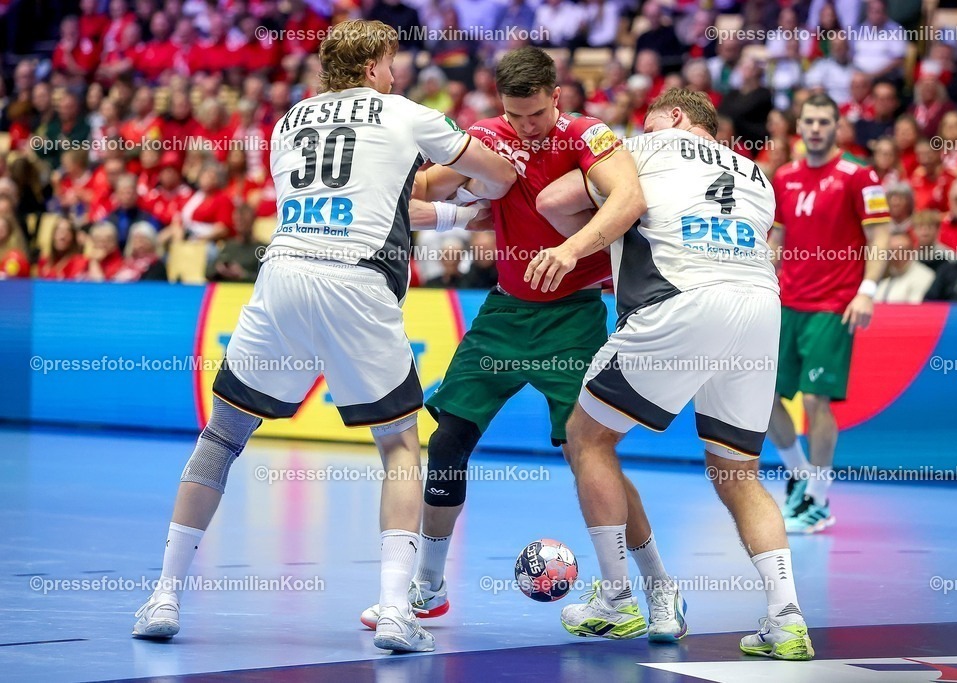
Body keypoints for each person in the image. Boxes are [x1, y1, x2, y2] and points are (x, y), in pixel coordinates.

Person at [130, 19, 516, 654]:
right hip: (357, 284)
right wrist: (483, 183)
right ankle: (396, 612)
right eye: (390, 64)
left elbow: (371, 200)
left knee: (222, 436)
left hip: (282, 276)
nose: (395, 74)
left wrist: (444, 212)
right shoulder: (403, 112)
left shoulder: (288, 123)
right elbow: (496, 176)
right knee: (397, 446)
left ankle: (164, 595)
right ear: (371, 69)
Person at [359, 46, 683, 643]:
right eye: (516, 115)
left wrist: (569, 250)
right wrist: (401, 193)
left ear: (556, 98)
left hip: (574, 317)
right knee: (449, 435)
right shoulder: (489, 136)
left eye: (535, 115)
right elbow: (430, 190)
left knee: (594, 455)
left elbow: (628, 199)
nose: (526, 127)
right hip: (505, 313)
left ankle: (658, 589)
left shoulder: (587, 134)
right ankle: (427, 588)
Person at [528, 88, 813, 660]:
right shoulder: (758, 175)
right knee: (739, 471)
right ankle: (786, 618)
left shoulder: (647, 146)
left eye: (648, 114)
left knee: (588, 438)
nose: (641, 122)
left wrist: (592, 232)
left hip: (680, 300)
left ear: (676, 118)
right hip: (758, 307)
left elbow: (554, 202)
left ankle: (615, 600)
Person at [766, 93, 891, 534]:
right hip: (786, 303)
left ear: (837, 126)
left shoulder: (859, 175)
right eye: (809, 121)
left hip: (833, 305)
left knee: (817, 400)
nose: (816, 128)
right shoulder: (783, 176)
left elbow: (881, 236)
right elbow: (776, 240)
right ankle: (799, 473)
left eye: (824, 121)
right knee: (761, 400)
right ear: (798, 126)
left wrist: (868, 291)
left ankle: (819, 499)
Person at [876, 231, 934, 303]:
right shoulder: (882, 278)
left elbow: (915, 308)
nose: (897, 256)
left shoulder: (924, 275)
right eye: (892, 251)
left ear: (912, 251)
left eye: (902, 251)